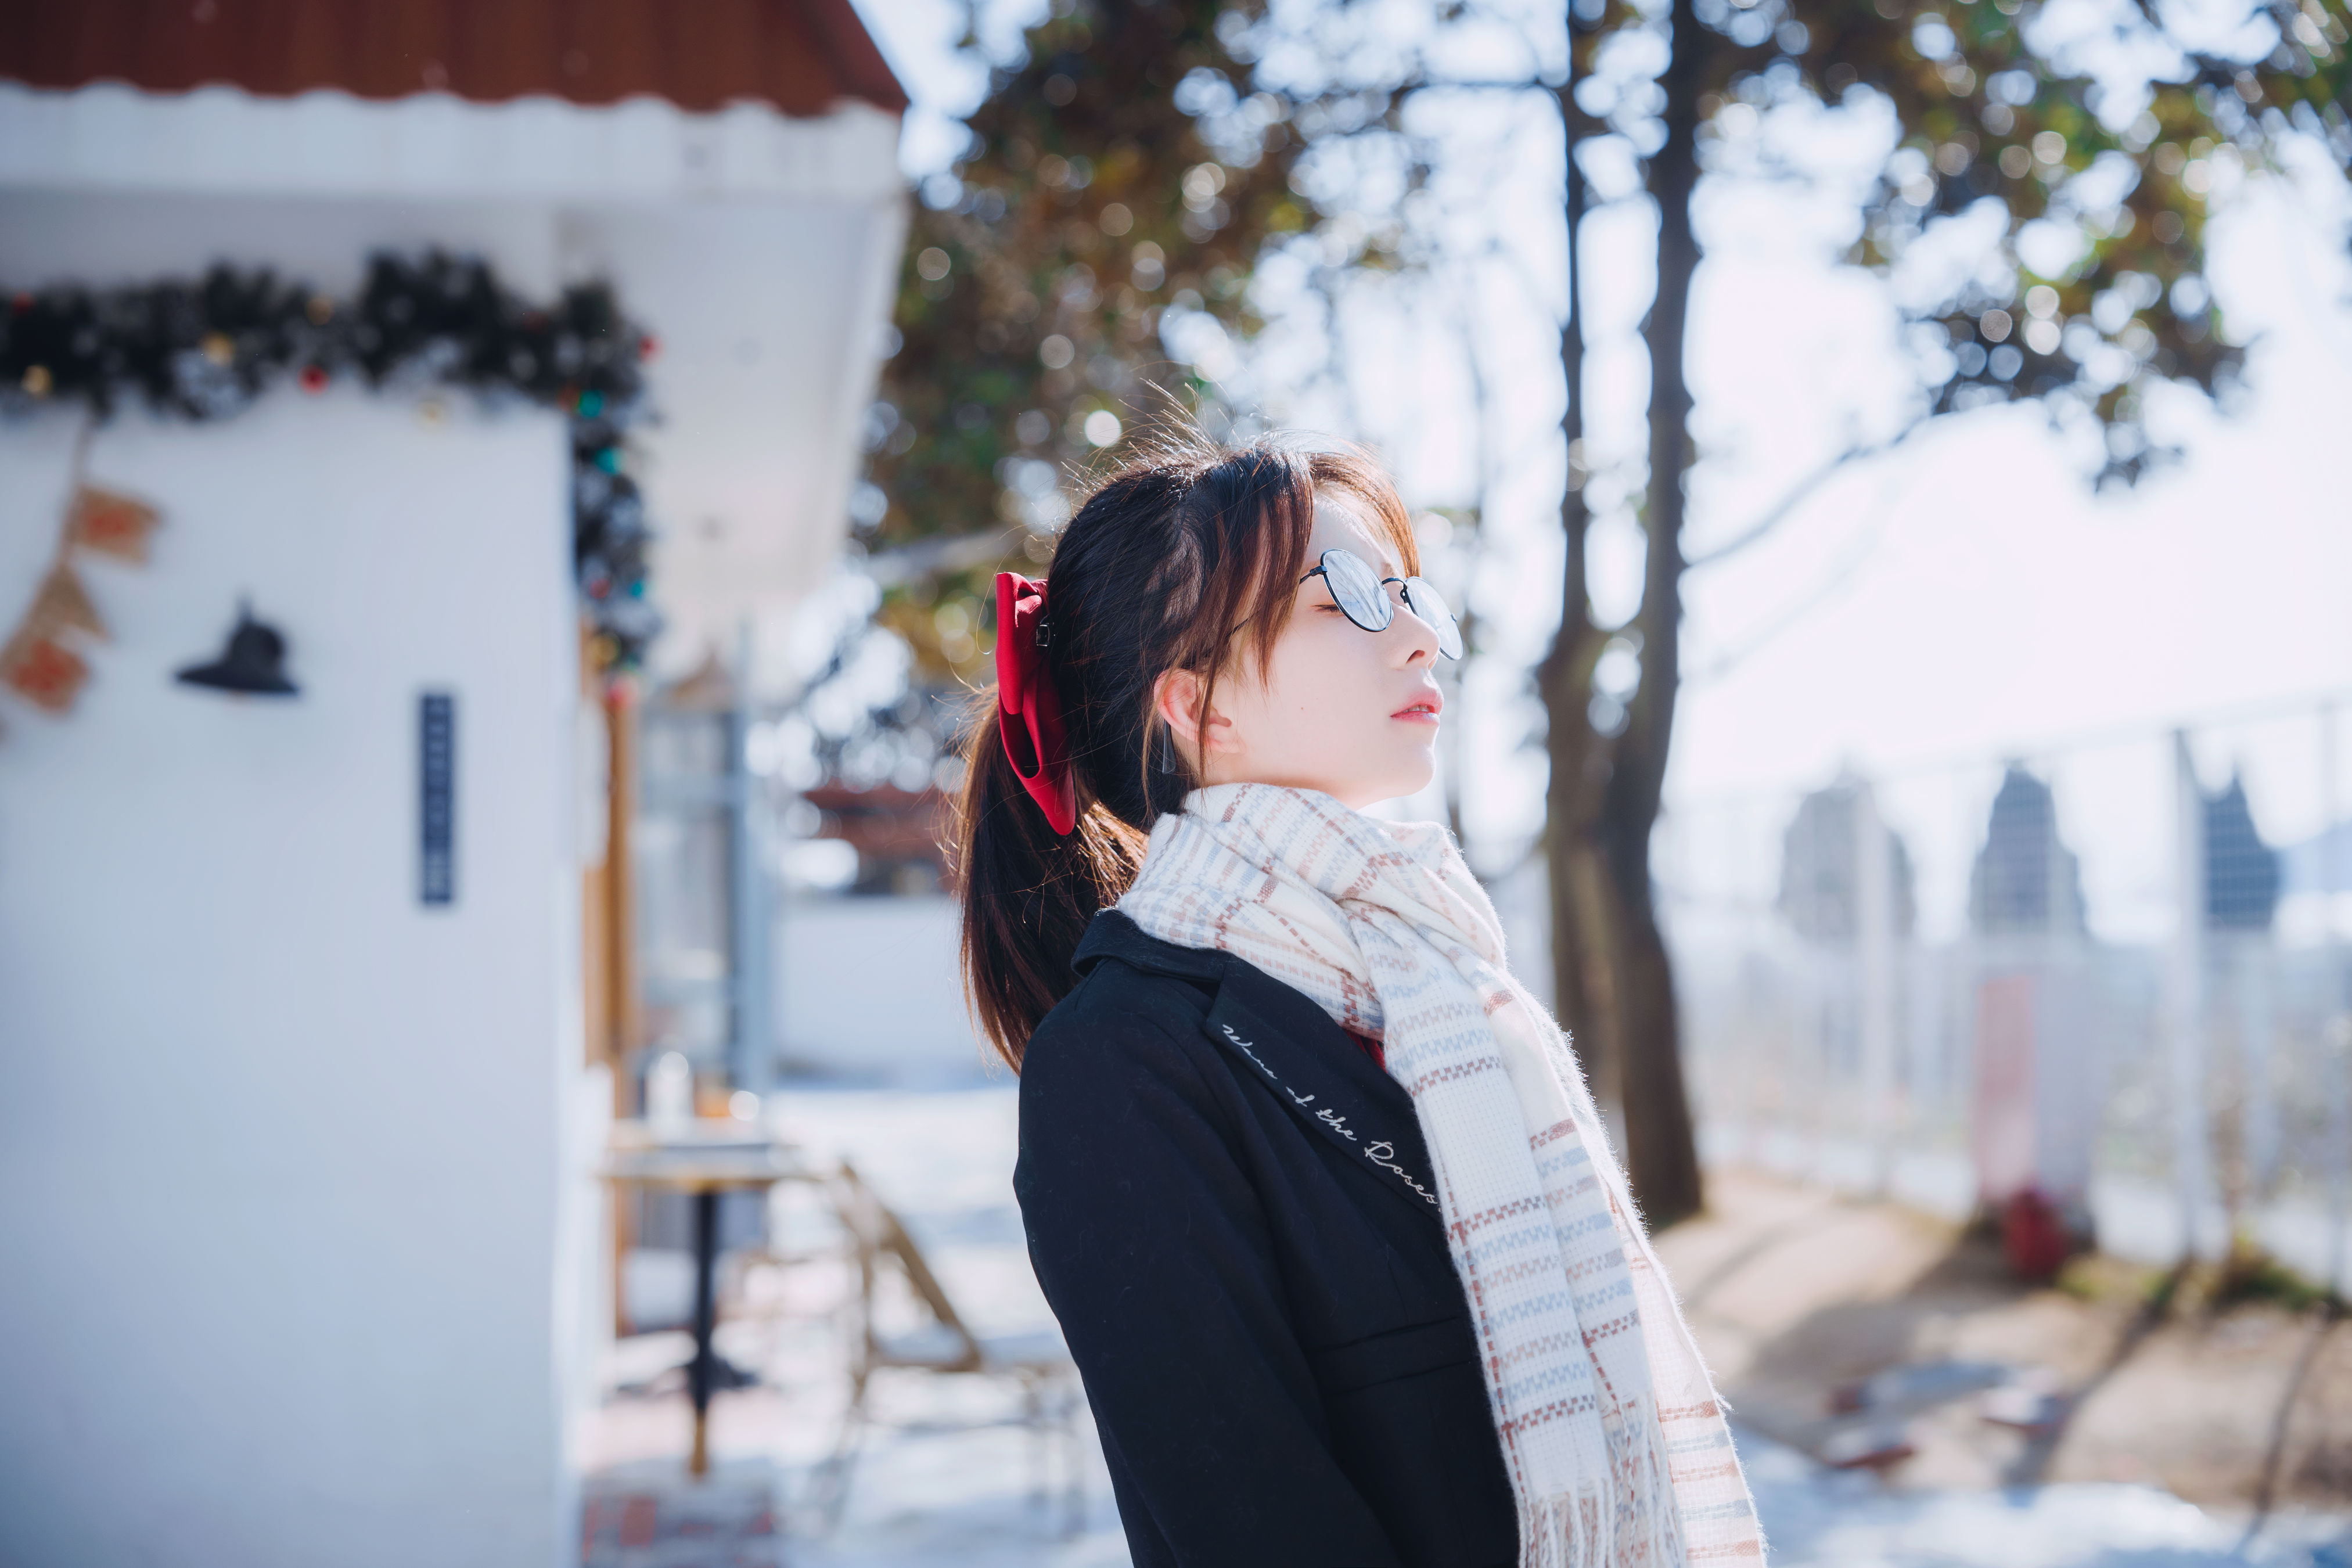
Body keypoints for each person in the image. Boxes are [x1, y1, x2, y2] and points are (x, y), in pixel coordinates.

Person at [954, 436, 1762, 1568]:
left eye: (1406, 592)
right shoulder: (1124, 1060)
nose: (1422, 633)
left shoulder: (1432, 981)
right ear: (1194, 705)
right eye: (1342, 595)